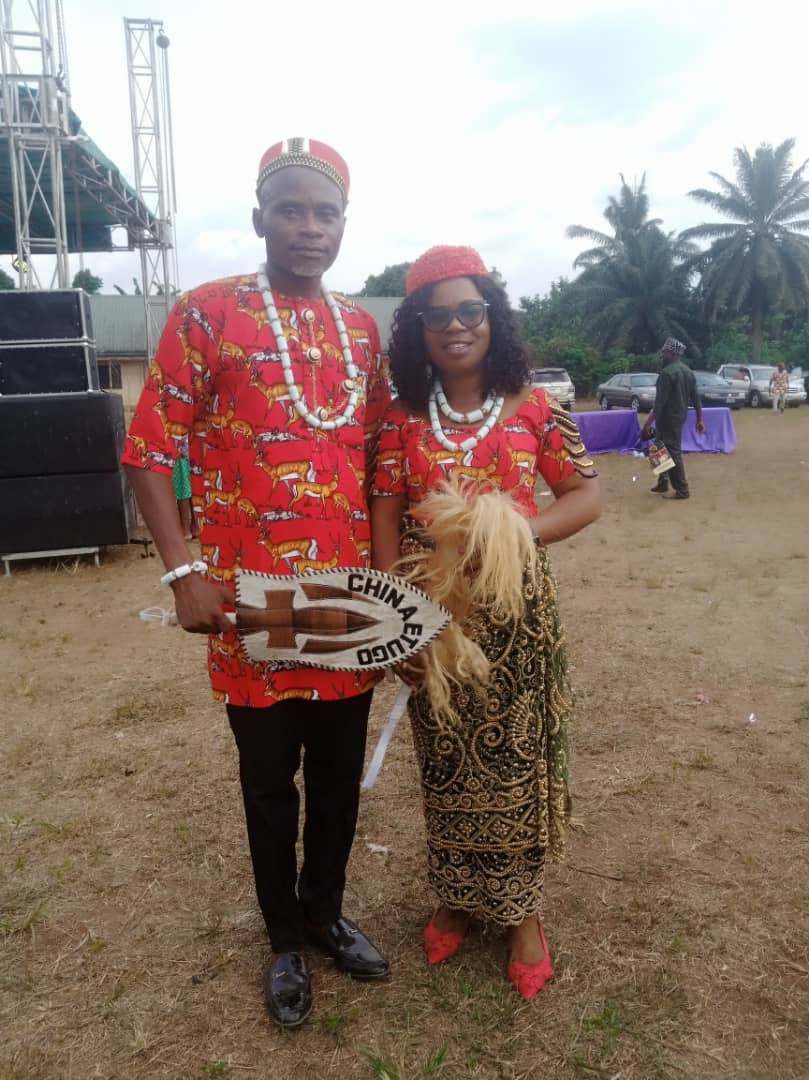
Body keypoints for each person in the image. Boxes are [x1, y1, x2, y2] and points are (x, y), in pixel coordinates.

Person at [121, 138, 392, 1030]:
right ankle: (283, 939)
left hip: (344, 595)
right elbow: (147, 450)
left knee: (340, 775)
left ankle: (325, 914)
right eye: (291, 210)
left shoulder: (361, 332)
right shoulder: (206, 313)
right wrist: (183, 574)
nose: (309, 228)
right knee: (270, 781)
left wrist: (394, 585)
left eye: (326, 213)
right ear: (259, 219)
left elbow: (383, 460)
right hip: (248, 601)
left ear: (343, 224)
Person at [370, 245, 601, 1000]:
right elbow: (384, 516)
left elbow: (584, 497)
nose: (456, 326)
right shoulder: (400, 419)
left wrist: (510, 532)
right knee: (444, 764)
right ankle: (456, 897)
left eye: (470, 309)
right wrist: (394, 618)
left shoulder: (536, 407)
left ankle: (523, 915)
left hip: (515, 620)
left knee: (514, 767)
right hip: (431, 619)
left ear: (493, 317)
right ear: (417, 329)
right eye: (436, 316)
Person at [642, 337, 704, 500]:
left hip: (667, 418)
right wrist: (700, 419)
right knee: (658, 447)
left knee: (673, 451)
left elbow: (659, 403)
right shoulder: (689, 372)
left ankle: (682, 490)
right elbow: (696, 398)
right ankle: (663, 482)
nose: (662, 355)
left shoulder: (666, 373)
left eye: (664, 352)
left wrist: (647, 424)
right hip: (679, 416)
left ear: (671, 353)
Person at [172, 436, 199, 540]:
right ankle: (195, 524)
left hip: (179, 438)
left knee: (182, 477)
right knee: (193, 476)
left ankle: (185, 527)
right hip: (194, 437)